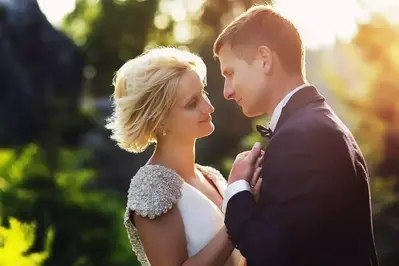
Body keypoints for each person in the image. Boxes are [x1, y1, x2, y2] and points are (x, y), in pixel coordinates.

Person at [213, 4, 379, 266]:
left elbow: (275, 256)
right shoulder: (313, 124)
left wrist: (237, 190)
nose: (227, 91)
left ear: (264, 59)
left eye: (230, 73)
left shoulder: (303, 136)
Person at [105, 47, 263, 266]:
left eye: (203, 93)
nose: (209, 106)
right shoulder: (152, 187)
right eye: (192, 103)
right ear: (159, 120)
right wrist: (237, 215)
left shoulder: (211, 176)